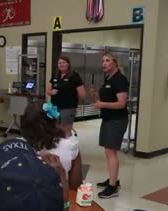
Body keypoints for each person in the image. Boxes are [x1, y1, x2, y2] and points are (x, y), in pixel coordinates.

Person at [21, 101, 83, 190]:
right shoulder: (71, 146)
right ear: (54, 121)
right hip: (58, 199)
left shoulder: (18, 146)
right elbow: (75, 186)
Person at [91, 53, 129, 199]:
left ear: (115, 63)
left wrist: (101, 104)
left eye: (107, 61)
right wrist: (96, 96)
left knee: (110, 151)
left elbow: (121, 104)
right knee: (108, 152)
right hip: (108, 119)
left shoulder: (120, 79)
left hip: (117, 120)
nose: (104, 63)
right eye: (103, 61)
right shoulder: (108, 79)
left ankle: (113, 187)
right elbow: (105, 100)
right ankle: (113, 179)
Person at [47, 56, 86, 137]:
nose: (61, 64)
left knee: (66, 129)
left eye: (63, 62)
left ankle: (68, 147)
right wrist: (52, 92)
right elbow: (48, 91)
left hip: (68, 108)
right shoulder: (55, 76)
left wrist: (71, 96)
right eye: (59, 63)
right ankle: (58, 147)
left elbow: (82, 94)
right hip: (55, 107)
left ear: (68, 64)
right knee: (56, 128)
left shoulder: (74, 76)